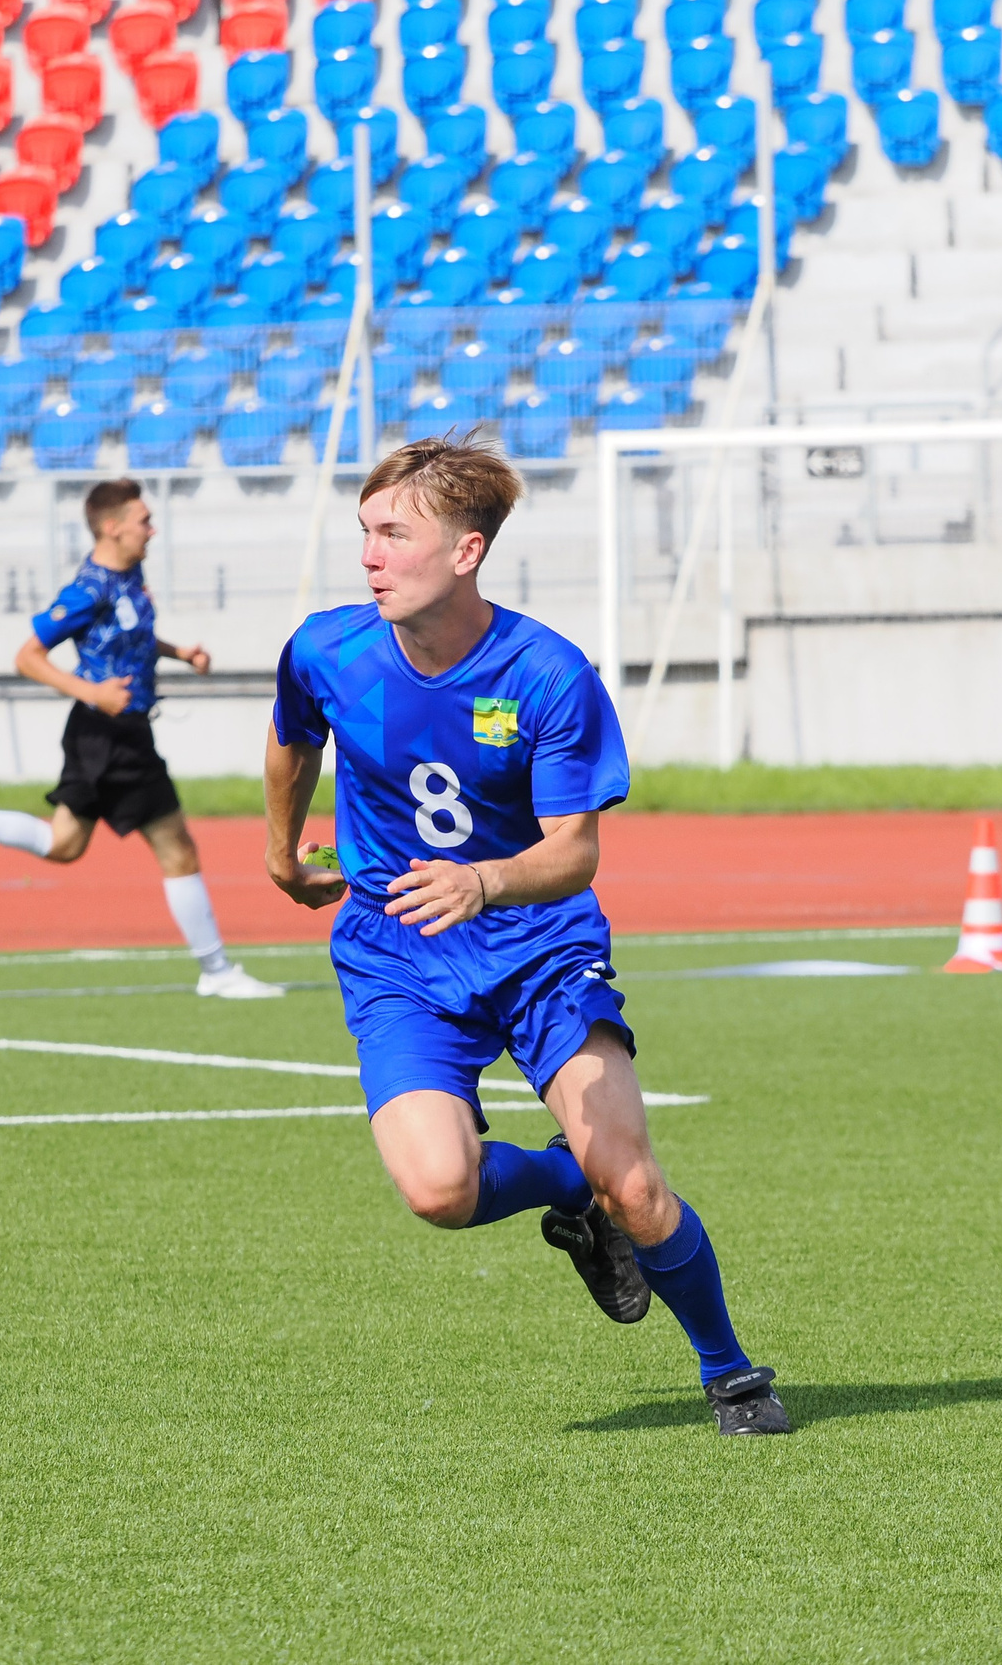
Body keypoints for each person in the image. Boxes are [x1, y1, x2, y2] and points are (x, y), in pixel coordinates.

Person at [264, 436, 790, 1435]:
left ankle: (731, 1375)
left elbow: (575, 853)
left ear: (464, 552)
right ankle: (564, 1184)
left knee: (634, 1180)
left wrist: (485, 880)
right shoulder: (326, 649)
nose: (368, 555)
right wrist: (281, 854)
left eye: (392, 534)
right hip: (397, 953)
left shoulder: (546, 673)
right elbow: (292, 737)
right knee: (438, 1188)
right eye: (364, 533)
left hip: (539, 945)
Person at [0, 478, 285, 1001]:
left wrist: (180, 653)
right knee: (177, 850)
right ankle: (217, 970)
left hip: (109, 734)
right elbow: (27, 656)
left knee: (63, 844)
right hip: (111, 734)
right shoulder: (88, 589)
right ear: (112, 528)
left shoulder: (129, 573)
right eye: (143, 520)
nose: (152, 529)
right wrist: (93, 692)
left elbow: (129, 635)